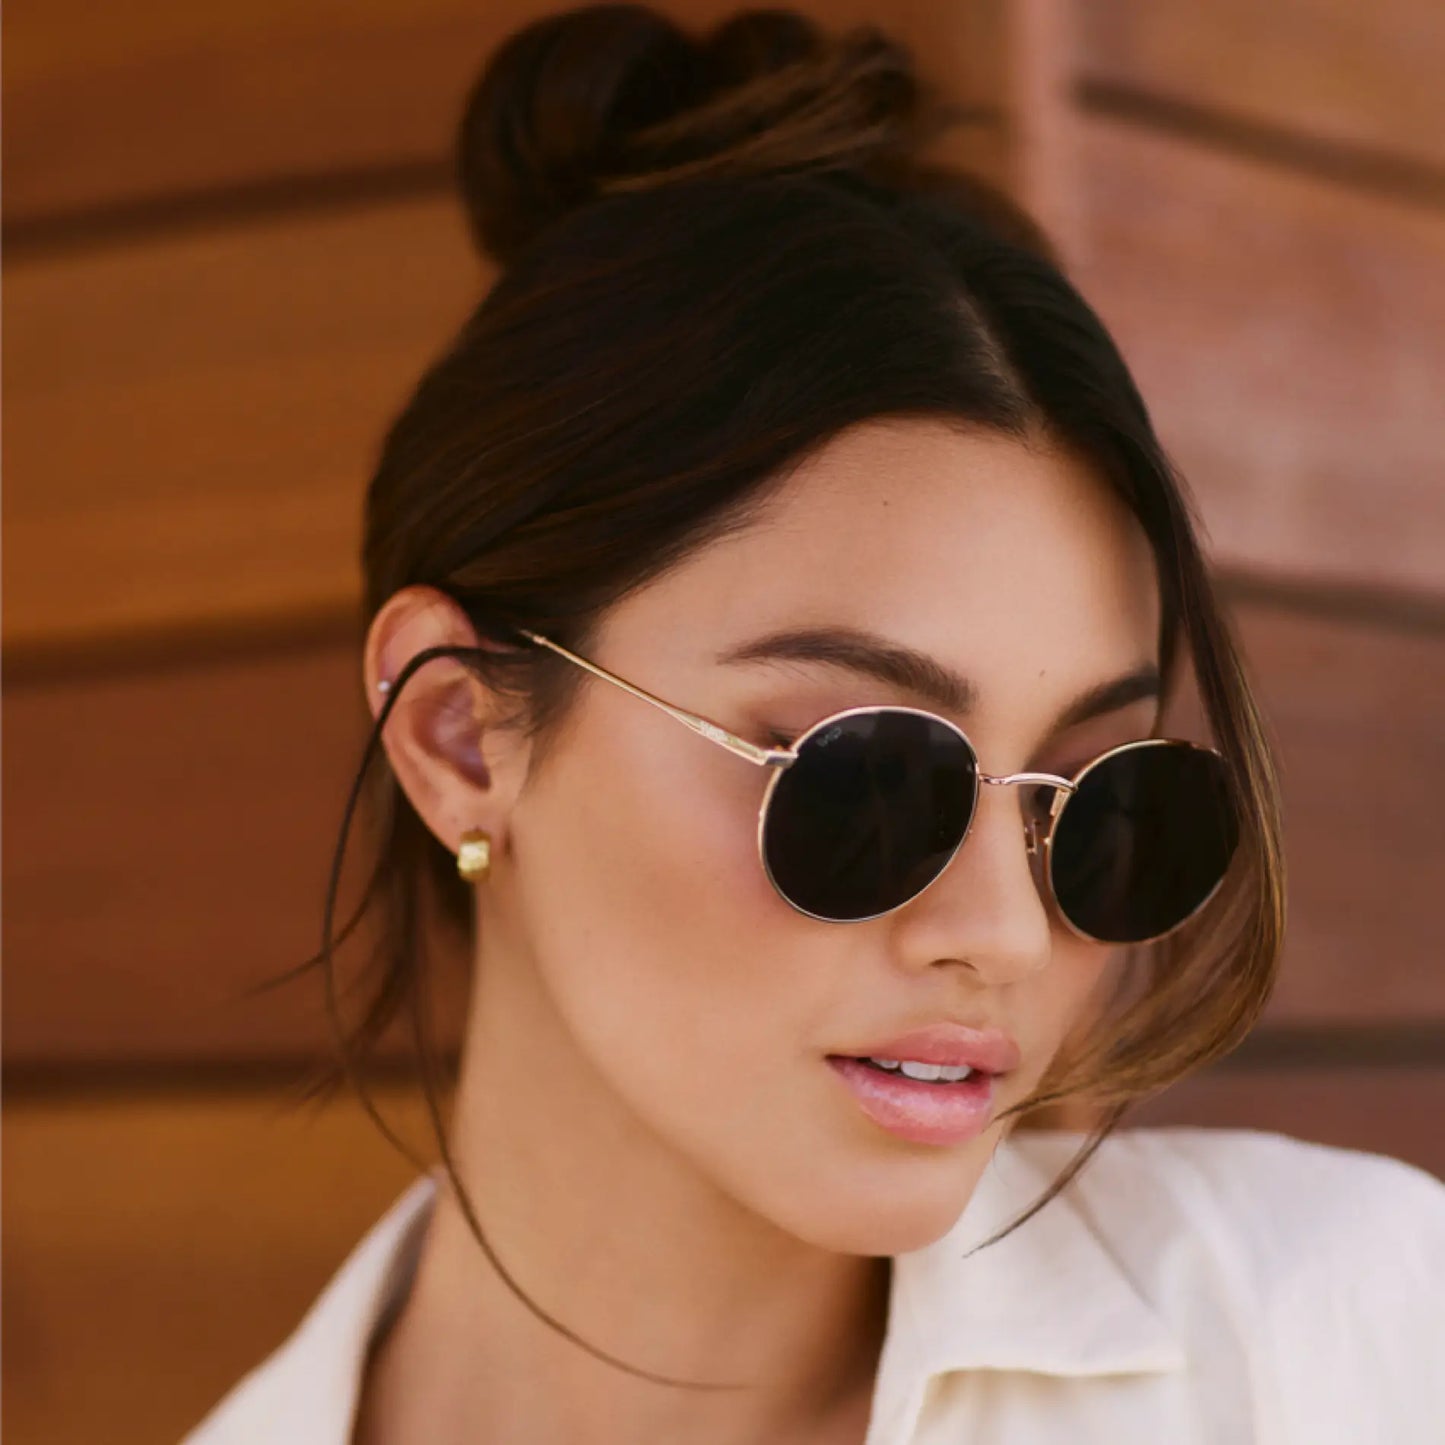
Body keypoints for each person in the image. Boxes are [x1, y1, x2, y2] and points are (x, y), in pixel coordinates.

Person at [180, 6, 1445, 1443]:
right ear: (461, 740)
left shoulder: (1346, 1342)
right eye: (868, 777)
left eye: (1096, 806)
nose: (1006, 934)